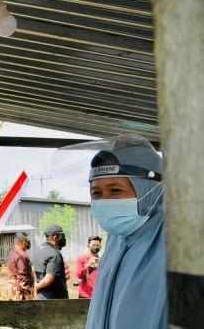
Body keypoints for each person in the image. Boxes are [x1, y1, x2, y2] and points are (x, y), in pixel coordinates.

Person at [85, 136, 166, 328]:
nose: (104, 201)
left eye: (115, 190)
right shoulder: (117, 241)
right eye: (96, 193)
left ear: (151, 190)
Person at [33, 225, 69, 299]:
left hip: (41, 296)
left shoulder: (39, 250)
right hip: (55, 300)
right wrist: (36, 286)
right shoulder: (54, 253)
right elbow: (48, 279)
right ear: (54, 237)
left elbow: (35, 271)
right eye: (62, 236)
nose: (64, 238)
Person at [7, 232, 34, 301]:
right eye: (28, 242)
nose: (28, 244)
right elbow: (23, 276)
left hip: (12, 289)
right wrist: (29, 292)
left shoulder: (12, 253)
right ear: (24, 242)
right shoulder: (22, 255)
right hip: (21, 292)